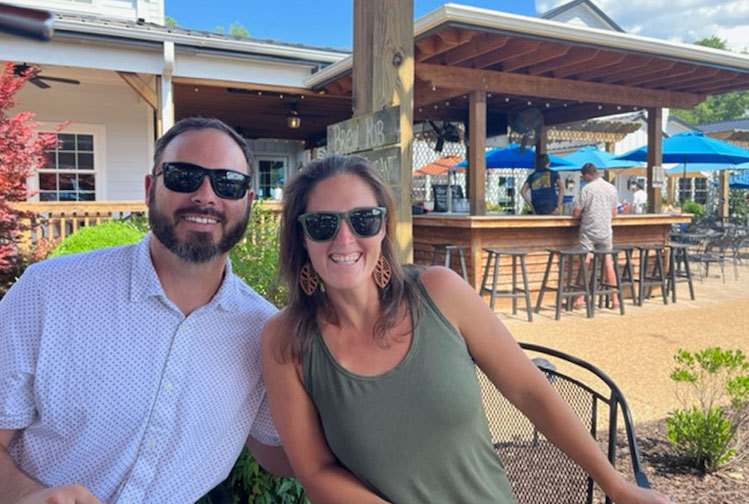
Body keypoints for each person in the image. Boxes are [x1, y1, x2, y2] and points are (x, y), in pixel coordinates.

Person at [261, 154, 669, 504]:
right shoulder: (286, 340)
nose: (345, 237)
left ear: (383, 228)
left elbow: (531, 391)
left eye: (364, 219)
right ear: (302, 235)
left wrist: (615, 485)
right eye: (322, 224)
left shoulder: (439, 292)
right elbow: (314, 469)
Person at [0, 117, 292, 504]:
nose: (206, 195)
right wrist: (28, 496)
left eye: (228, 183)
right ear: (150, 188)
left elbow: (281, 453)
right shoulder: (48, 292)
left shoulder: (262, 330)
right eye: (183, 176)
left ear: (248, 202)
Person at [572, 162, 620, 308]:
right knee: (608, 263)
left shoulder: (587, 189)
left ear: (587, 175)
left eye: (583, 176)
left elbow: (576, 213)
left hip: (589, 231)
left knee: (585, 261)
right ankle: (615, 300)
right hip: (606, 231)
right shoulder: (611, 188)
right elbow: (614, 213)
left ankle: (580, 299)